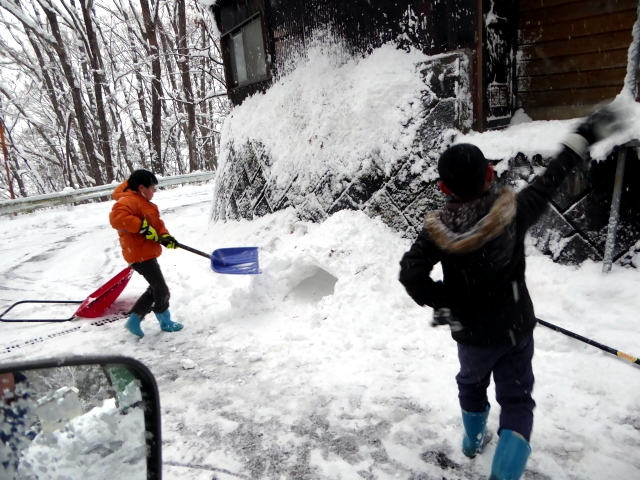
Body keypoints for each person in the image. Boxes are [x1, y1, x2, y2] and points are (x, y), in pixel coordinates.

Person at [398, 108, 620, 480]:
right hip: (516, 328)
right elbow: (550, 179)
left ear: (444, 188)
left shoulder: (437, 232)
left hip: (471, 335)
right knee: (516, 400)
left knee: (471, 384)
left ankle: (472, 441)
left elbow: (411, 272)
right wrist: (582, 137)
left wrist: (444, 301)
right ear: (490, 175)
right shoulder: (513, 213)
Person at [110, 169, 183, 338]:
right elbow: (117, 218)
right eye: (152, 188)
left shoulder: (146, 204)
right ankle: (165, 321)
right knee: (161, 289)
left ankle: (134, 320)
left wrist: (165, 236)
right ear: (142, 188)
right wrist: (142, 227)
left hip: (146, 253)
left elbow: (157, 225)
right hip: (139, 254)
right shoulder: (127, 201)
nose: (154, 191)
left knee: (155, 288)